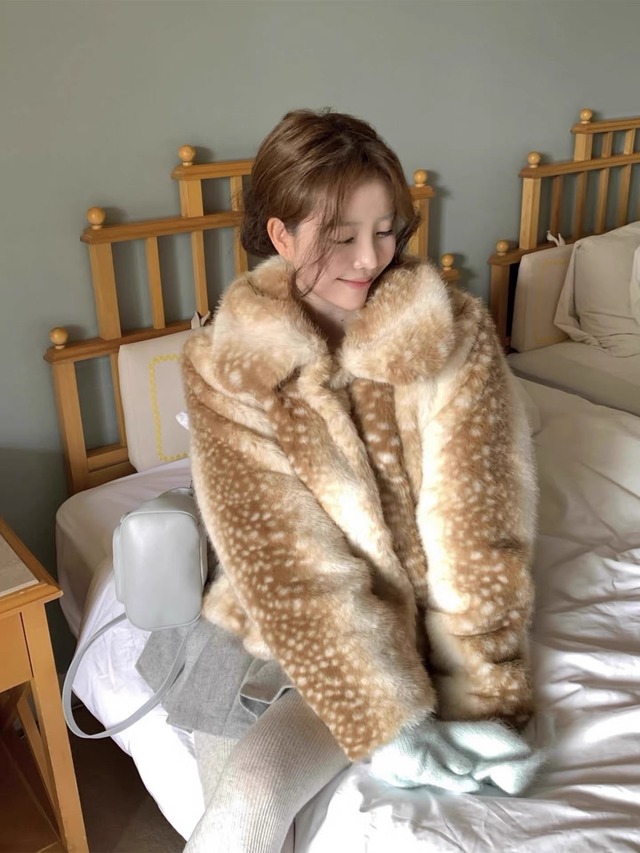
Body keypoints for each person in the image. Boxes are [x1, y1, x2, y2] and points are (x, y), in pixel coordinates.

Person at [139, 108, 541, 853]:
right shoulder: (227, 363)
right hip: (277, 609)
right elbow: (280, 554)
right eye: (341, 236)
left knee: (255, 792)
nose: (369, 258)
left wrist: (484, 694)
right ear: (281, 234)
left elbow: (479, 524)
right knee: (237, 805)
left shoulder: (452, 332)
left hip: (401, 618)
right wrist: (377, 720)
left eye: (386, 230)